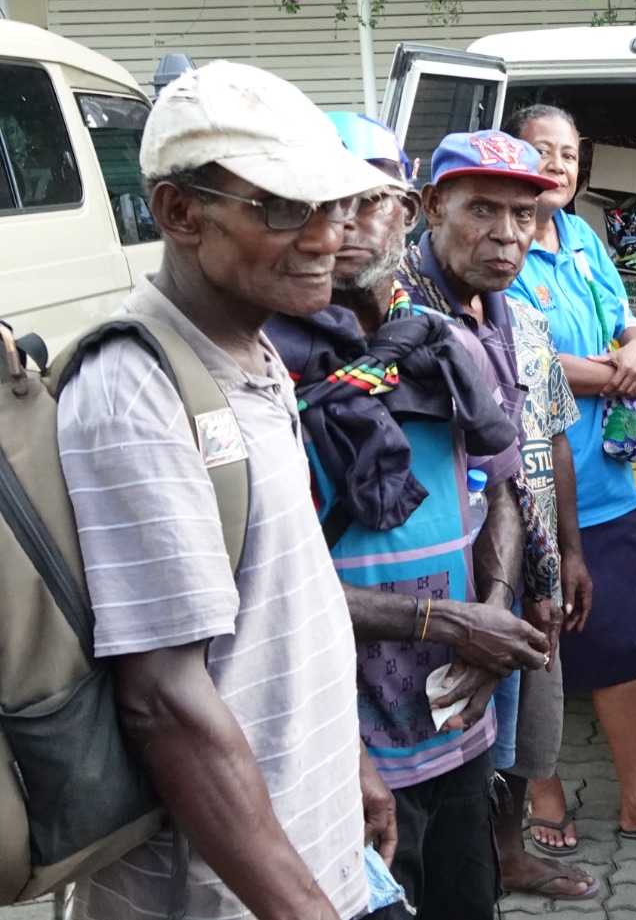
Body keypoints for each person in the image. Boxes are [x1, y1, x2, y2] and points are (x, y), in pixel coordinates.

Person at [58, 60, 398, 919]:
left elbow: (282, 605)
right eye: (282, 208)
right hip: (222, 894)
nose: (325, 238)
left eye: (334, 206)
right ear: (180, 213)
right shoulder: (136, 391)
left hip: (305, 846)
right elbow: (162, 702)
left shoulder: (252, 351)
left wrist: (348, 763)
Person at [265, 123, 551, 919]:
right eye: (323, 203)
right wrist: (454, 623)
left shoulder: (445, 345)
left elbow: (500, 491)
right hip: (338, 742)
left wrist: (494, 608)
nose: (346, 223)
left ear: (406, 211)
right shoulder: (265, 366)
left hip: (454, 722)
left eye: (370, 200)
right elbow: (269, 584)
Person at [504, 104, 636, 849]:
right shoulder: (501, 247)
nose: (557, 165)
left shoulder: (582, 238)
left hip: (604, 485)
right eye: (542, 151)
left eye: (568, 154)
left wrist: (634, 350)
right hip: (528, 490)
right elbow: (530, 363)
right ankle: (543, 791)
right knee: (535, 641)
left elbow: (626, 321)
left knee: (621, 643)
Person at [390, 127, 598, 900]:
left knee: (507, 741)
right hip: (419, 610)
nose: (506, 234)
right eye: (482, 209)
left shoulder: (513, 315)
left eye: (521, 214)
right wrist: (479, 609)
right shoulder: (392, 317)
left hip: (504, 579)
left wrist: (546, 568)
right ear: (431, 207)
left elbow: (534, 449)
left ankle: (503, 856)